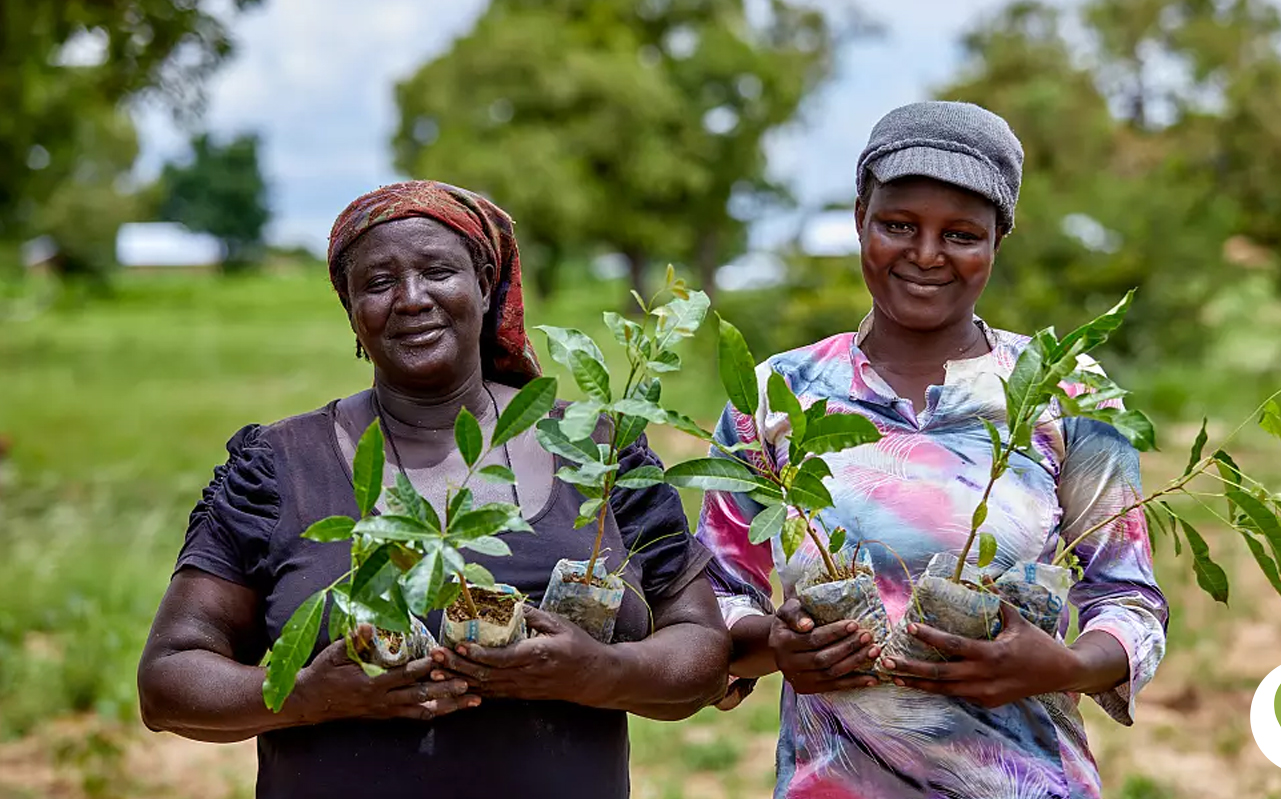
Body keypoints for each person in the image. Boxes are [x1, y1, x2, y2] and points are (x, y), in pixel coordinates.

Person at [137, 180, 729, 799]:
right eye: (378, 283)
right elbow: (168, 681)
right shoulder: (281, 467)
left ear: (485, 286)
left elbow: (703, 653)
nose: (411, 299)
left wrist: (594, 672)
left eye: (438, 272)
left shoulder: (595, 451)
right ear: (350, 309)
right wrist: (309, 695)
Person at [698, 102, 1169, 798]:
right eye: (898, 225)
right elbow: (714, 594)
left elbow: (1130, 600)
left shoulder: (1064, 391)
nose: (925, 254)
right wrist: (777, 643)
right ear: (860, 217)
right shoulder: (778, 395)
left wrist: (1062, 665)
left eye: (961, 234)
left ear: (998, 240)